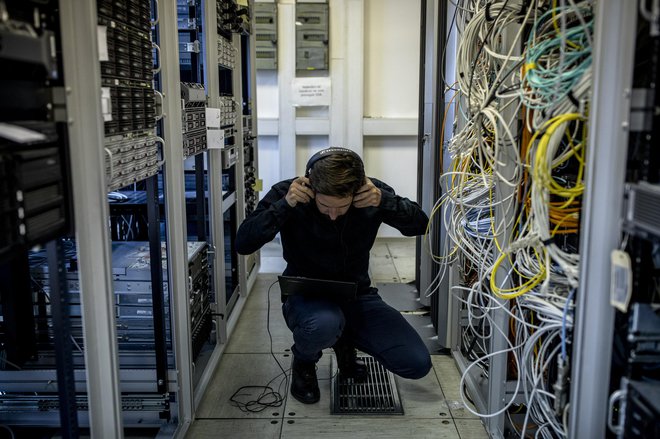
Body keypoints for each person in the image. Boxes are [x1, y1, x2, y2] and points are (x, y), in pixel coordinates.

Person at [235, 147, 432, 404]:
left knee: (416, 363)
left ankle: (344, 342)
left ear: (357, 192)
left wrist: (385, 201)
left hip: (357, 295)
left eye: (341, 207)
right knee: (324, 323)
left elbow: (421, 224)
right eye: (325, 206)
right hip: (306, 296)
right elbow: (243, 243)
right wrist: (284, 206)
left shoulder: (371, 194)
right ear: (310, 189)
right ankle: (304, 362)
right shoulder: (290, 193)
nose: (333, 214)